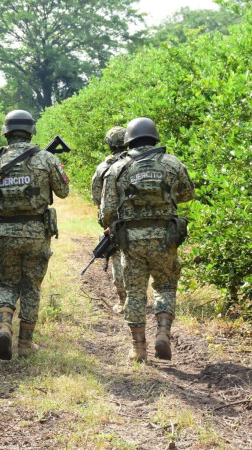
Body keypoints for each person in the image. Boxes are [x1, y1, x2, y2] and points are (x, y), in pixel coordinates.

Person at [0, 110, 70, 360]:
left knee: (7, 283)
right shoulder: (46, 159)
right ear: (31, 131)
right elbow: (64, 191)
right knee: (31, 286)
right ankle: (25, 343)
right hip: (37, 233)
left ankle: (5, 325)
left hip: (4, 233)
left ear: (6, 133)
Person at [100, 117, 195, 362]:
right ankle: (163, 332)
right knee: (165, 286)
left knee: (135, 293)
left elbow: (106, 211)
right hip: (166, 237)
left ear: (129, 140)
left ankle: (138, 348)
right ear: (154, 137)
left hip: (131, 242)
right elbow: (187, 194)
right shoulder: (172, 163)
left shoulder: (118, 168)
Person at [91, 126, 127, 313]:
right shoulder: (137, 161)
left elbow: (97, 197)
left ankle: (123, 300)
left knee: (118, 257)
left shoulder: (104, 167)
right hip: (138, 219)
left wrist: (109, 222)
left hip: (115, 222)